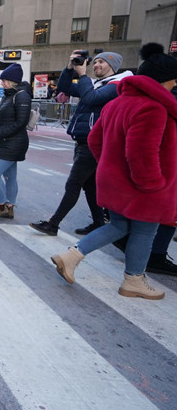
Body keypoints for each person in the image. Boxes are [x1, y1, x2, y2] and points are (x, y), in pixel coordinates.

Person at [50, 43, 177, 300]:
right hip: (144, 185)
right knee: (144, 231)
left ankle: (71, 255)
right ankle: (134, 280)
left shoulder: (118, 102)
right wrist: (153, 185)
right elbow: (142, 153)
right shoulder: (153, 107)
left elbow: (95, 141)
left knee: (118, 225)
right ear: (166, 81)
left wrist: (111, 166)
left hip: (116, 180)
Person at [29, 51, 131, 236]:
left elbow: (92, 98)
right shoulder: (95, 84)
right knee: (89, 185)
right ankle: (99, 222)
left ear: (112, 66)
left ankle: (53, 223)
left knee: (74, 183)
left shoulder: (117, 85)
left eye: (101, 62)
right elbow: (64, 87)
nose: (96, 65)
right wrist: (69, 68)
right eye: (95, 62)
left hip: (96, 142)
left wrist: (83, 75)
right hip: (85, 140)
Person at [0, 63, 31, 221]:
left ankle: (1, 206)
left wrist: (0, 133)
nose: (1, 83)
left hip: (12, 142)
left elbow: (21, 121)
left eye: (4, 80)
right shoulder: (9, 94)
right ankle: (10, 207)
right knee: (10, 177)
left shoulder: (21, 95)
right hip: (6, 141)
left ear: (12, 81)